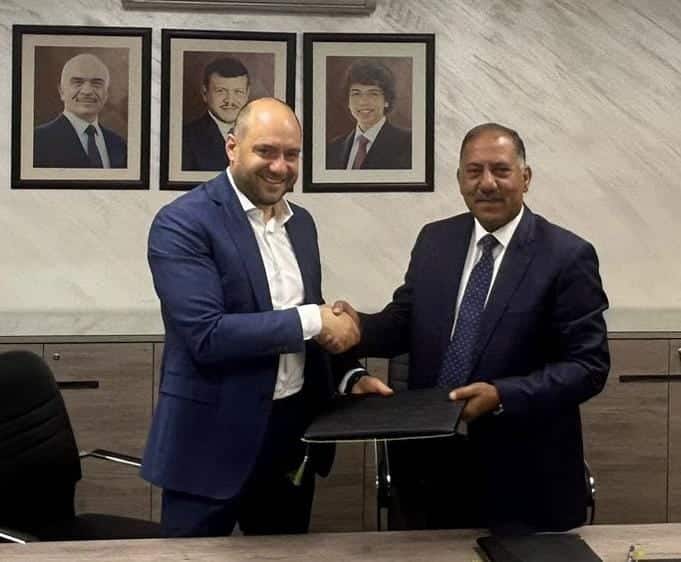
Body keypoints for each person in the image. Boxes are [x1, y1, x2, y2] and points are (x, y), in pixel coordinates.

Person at [333, 123, 610, 534]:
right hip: (430, 471)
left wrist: (503, 395)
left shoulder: (567, 256)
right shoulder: (435, 240)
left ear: (526, 177)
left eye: (501, 170)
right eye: (474, 171)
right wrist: (357, 326)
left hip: (524, 476)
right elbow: (405, 321)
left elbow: (589, 366)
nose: (487, 183)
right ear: (460, 178)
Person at [141, 98, 365, 537]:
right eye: (266, 151)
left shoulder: (301, 224)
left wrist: (350, 375)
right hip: (209, 444)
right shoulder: (182, 222)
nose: (280, 167)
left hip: (289, 438)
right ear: (232, 147)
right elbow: (207, 335)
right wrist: (316, 320)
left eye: (291, 154)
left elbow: (309, 314)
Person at [34, 53, 127, 168]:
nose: (87, 91)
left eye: (96, 83)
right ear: (61, 91)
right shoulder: (37, 141)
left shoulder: (119, 144)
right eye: (77, 82)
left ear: (106, 94)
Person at [326, 59, 412, 170]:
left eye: (373, 94)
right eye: (356, 93)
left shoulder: (409, 143)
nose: (363, 102)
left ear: (387, 100)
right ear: (348, 101)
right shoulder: (334, 148)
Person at [182, 57, 250, 171]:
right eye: (221, 91)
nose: (230, 101)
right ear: (205, 93)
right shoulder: (185, 139)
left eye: (238, 92)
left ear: (247, 94)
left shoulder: (261, 134)